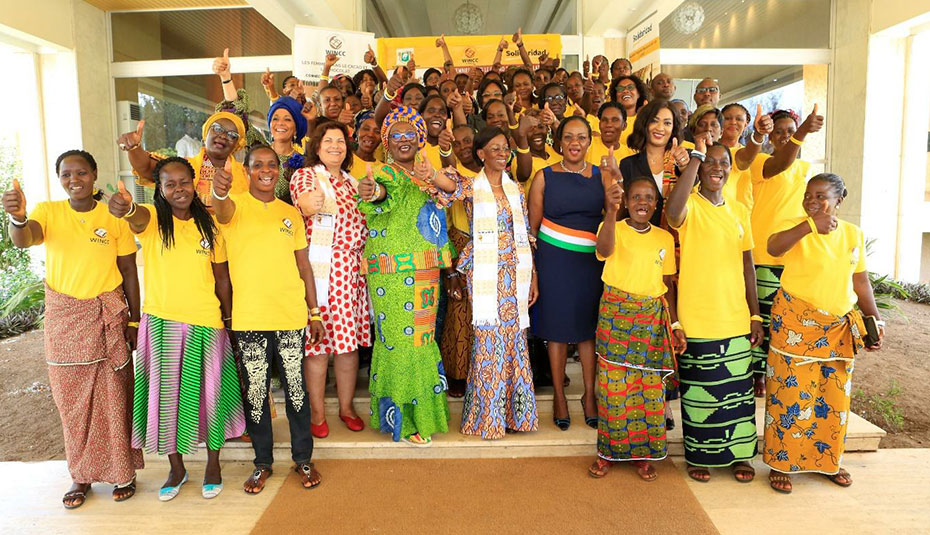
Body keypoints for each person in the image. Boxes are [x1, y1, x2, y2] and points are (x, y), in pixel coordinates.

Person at [3, 150, 143, 509]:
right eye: (66, 174)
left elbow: (129, 270)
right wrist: (17, 218)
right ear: (60, 179)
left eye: (81, 172)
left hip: (107, 318)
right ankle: (80, 475)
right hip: (64, 319)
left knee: (114, 398)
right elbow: (25, 238)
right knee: (71, 403)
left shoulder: (112, 217)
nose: (74, 180)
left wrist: (133, 320)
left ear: (94, 175)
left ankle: (122, 472)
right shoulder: (48, 212)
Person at [108, 157, 245, 501]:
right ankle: (177, 468)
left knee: (211, 397)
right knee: (166, 399)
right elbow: (136, 217)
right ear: (160, 188)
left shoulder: (210, 226)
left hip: (206, 321)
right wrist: (127, 209)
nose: (178, 189)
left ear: (194, 183)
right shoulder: (154, 219)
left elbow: (222, 279)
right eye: (170, 184)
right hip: (161, 322)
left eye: (184, 182)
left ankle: (213, 464)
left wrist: (229, 321)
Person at [212, 145, 325, 494]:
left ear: (279, 170)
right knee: (257, 393)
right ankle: (262, 463)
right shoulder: (233, 208)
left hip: (290, 316)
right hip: (249, 319)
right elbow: (221, 212)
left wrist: (314, 312)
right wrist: (219, 190)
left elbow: (304, 267)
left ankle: (303, 458)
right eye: (258, 165)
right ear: (247, 170)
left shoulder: (290, 214)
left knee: (296, 392)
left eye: (271, 165)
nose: (265, 170)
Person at [763, 173, 883, 494]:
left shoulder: (853, 234)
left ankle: (826, 461)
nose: (812, 201)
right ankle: (782, 463)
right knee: (790, 396)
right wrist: (809, 226)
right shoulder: (796, 226)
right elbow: (773, 247)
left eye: (821, 196)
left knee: (832, 398)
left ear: (838, 200)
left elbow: (860, 282)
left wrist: (874, 320)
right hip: (795, 325)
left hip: (837, 329)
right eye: (808, 195)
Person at [356, 106, 462, 446]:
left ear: (420, 139)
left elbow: (454, 188)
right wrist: (372, 192)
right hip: (391, 273)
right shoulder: (384, 174)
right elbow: (378, 194)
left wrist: (431, 175)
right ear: (387, 142)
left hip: (426, 269)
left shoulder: (428, 173)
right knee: (400, 341)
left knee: (421, 340)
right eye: (395, 135)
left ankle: (419, 415)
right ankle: (406, 421)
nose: (403, 140)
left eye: (409, 134)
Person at [664, 135, 765, 483]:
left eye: (723, 162)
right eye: (710, 162)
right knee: (699, 395)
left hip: (735, 317)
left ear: (731, 169)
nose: (716, 168)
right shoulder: (689, 205)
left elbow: (748, 266)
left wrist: (755, 314)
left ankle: (739, 456)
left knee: (737, 395)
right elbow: (672, 214)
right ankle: (699, 456)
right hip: (697, 317)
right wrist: (696, 156)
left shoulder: (739, 211)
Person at [587, 168, 684, 482]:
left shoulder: (665, 238)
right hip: (615, 317)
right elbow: (603, 251)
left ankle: (645, 455)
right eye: (636, 197)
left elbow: (667, 286)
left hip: (651, 322)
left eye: (649, 198)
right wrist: (611, 212)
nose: (643, 202)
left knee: (649, 392)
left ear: (656, 204)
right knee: (613, 391)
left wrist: (676, 324)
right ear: (626, 201)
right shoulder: (611, 227)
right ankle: (607, 454)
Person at [455, 126, 540, 439]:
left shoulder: (516, 189)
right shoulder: (470, 186)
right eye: (495, 148)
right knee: (489, 340)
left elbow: (526, 234)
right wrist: (437, 164)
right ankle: (486, 419)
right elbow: (444, 185)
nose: (503, 153)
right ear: (481, 154)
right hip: (486, 272)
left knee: (515, 341)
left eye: (506, 148)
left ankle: (515, 417)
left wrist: (533, 276)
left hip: (516, 272)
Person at [290, 121, 371, 438]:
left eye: (340, 141)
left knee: (348, 347)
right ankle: (318, 413)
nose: (335, 146)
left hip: (351, 273)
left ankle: (347, 408)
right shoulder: (306, 176)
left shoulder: (353, 183)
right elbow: (304, 205)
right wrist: (308, 204)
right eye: (328, 140)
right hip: (320, 270)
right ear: (317, 146)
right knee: (318, 345)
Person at [528, 116, 604, 431]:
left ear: (589, 142)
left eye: (581, 137)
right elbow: (532, 232)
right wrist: (533, 272)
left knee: (588, 329)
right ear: (558, 141)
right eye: (569, 137)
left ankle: (589, 395)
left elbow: (612, 218)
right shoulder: (543, 176)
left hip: (591, 264)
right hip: (553, 261)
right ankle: (559, 396)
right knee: (557, 328)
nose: (575, 143)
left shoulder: (602, 175)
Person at [749, 106, 824, 396]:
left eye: (790, 131)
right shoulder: (761, 162)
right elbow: (781, 164)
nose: (784, 136)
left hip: (794, 257)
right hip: (762, 256)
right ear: (770, 138)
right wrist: (802, 132)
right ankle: (758, 374)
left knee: (786, 319)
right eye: (779, 132)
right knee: (762, 318)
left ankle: (781, 371)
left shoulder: (806, 170)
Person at [118, 111, 248, 211]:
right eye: (218, 128)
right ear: (206, 133)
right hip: (188, 235)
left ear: (237, 145)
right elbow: (146, 168)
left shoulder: (246, 174)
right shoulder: (183, 167)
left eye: (232, 135)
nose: (223, 136)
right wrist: (134, 148)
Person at [441, 125, 482, 398]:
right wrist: (450, 271)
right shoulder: (453, 179)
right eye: (458, 143)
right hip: (460, 246)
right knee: (458, 315)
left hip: (490, 251)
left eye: (469, 141)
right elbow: (442, 229)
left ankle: (483, 371)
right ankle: (457, 374)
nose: (464, 146)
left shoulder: (494, 174)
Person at [619, 100, 689, 227]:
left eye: (667, 123)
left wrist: (684, 167)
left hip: (677, 236)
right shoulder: (628, 164)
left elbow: (693, 185)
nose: (660, 128)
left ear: (673, 129)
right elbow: (623, 210)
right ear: (644, 124)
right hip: (639, 235)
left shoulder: (682, 159)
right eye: (654, 121)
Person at [717, 103, 772, 209]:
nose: (733, 122)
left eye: (739, 119)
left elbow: (747, 156)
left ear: (746, 124)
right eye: (727, 118)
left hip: (740, 215)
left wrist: (759, 134)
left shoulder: (749, 153)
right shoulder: (708, 150)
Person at [266, 96, 308, 203]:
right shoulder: (258, 151)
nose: (280, 123)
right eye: (275, 119)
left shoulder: (304, 163)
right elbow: (238, 112)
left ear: (296, 129)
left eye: (287, 119)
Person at [587, 102, 635, 167]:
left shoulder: (630, 155)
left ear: (624, 125)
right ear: (599, 125)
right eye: (604, 120)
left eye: (615, 120)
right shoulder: (587, 145)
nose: (609, 125)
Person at [609, 74, 649, 146]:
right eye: (620, 88)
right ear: (615, 95)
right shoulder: (608, 120)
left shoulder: (647, 120)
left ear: (638, 94)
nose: (625, 91)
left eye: (630, 87)